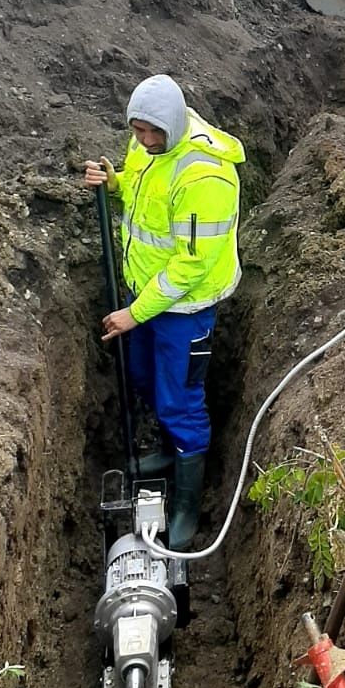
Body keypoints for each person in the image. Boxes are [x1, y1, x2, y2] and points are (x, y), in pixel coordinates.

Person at [84, 74, 244, 545]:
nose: (146, 141)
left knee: (179, 399)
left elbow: (190, 266)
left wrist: (135, 314)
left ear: (174, 125)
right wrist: (114, 185)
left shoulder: (206, 176)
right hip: (147, 294)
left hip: (184, 307)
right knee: (142, 378)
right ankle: (171, 452)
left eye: (155, 133)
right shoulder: (145, 145)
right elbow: (141, 195)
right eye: (139, 132)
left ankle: (188, 504)